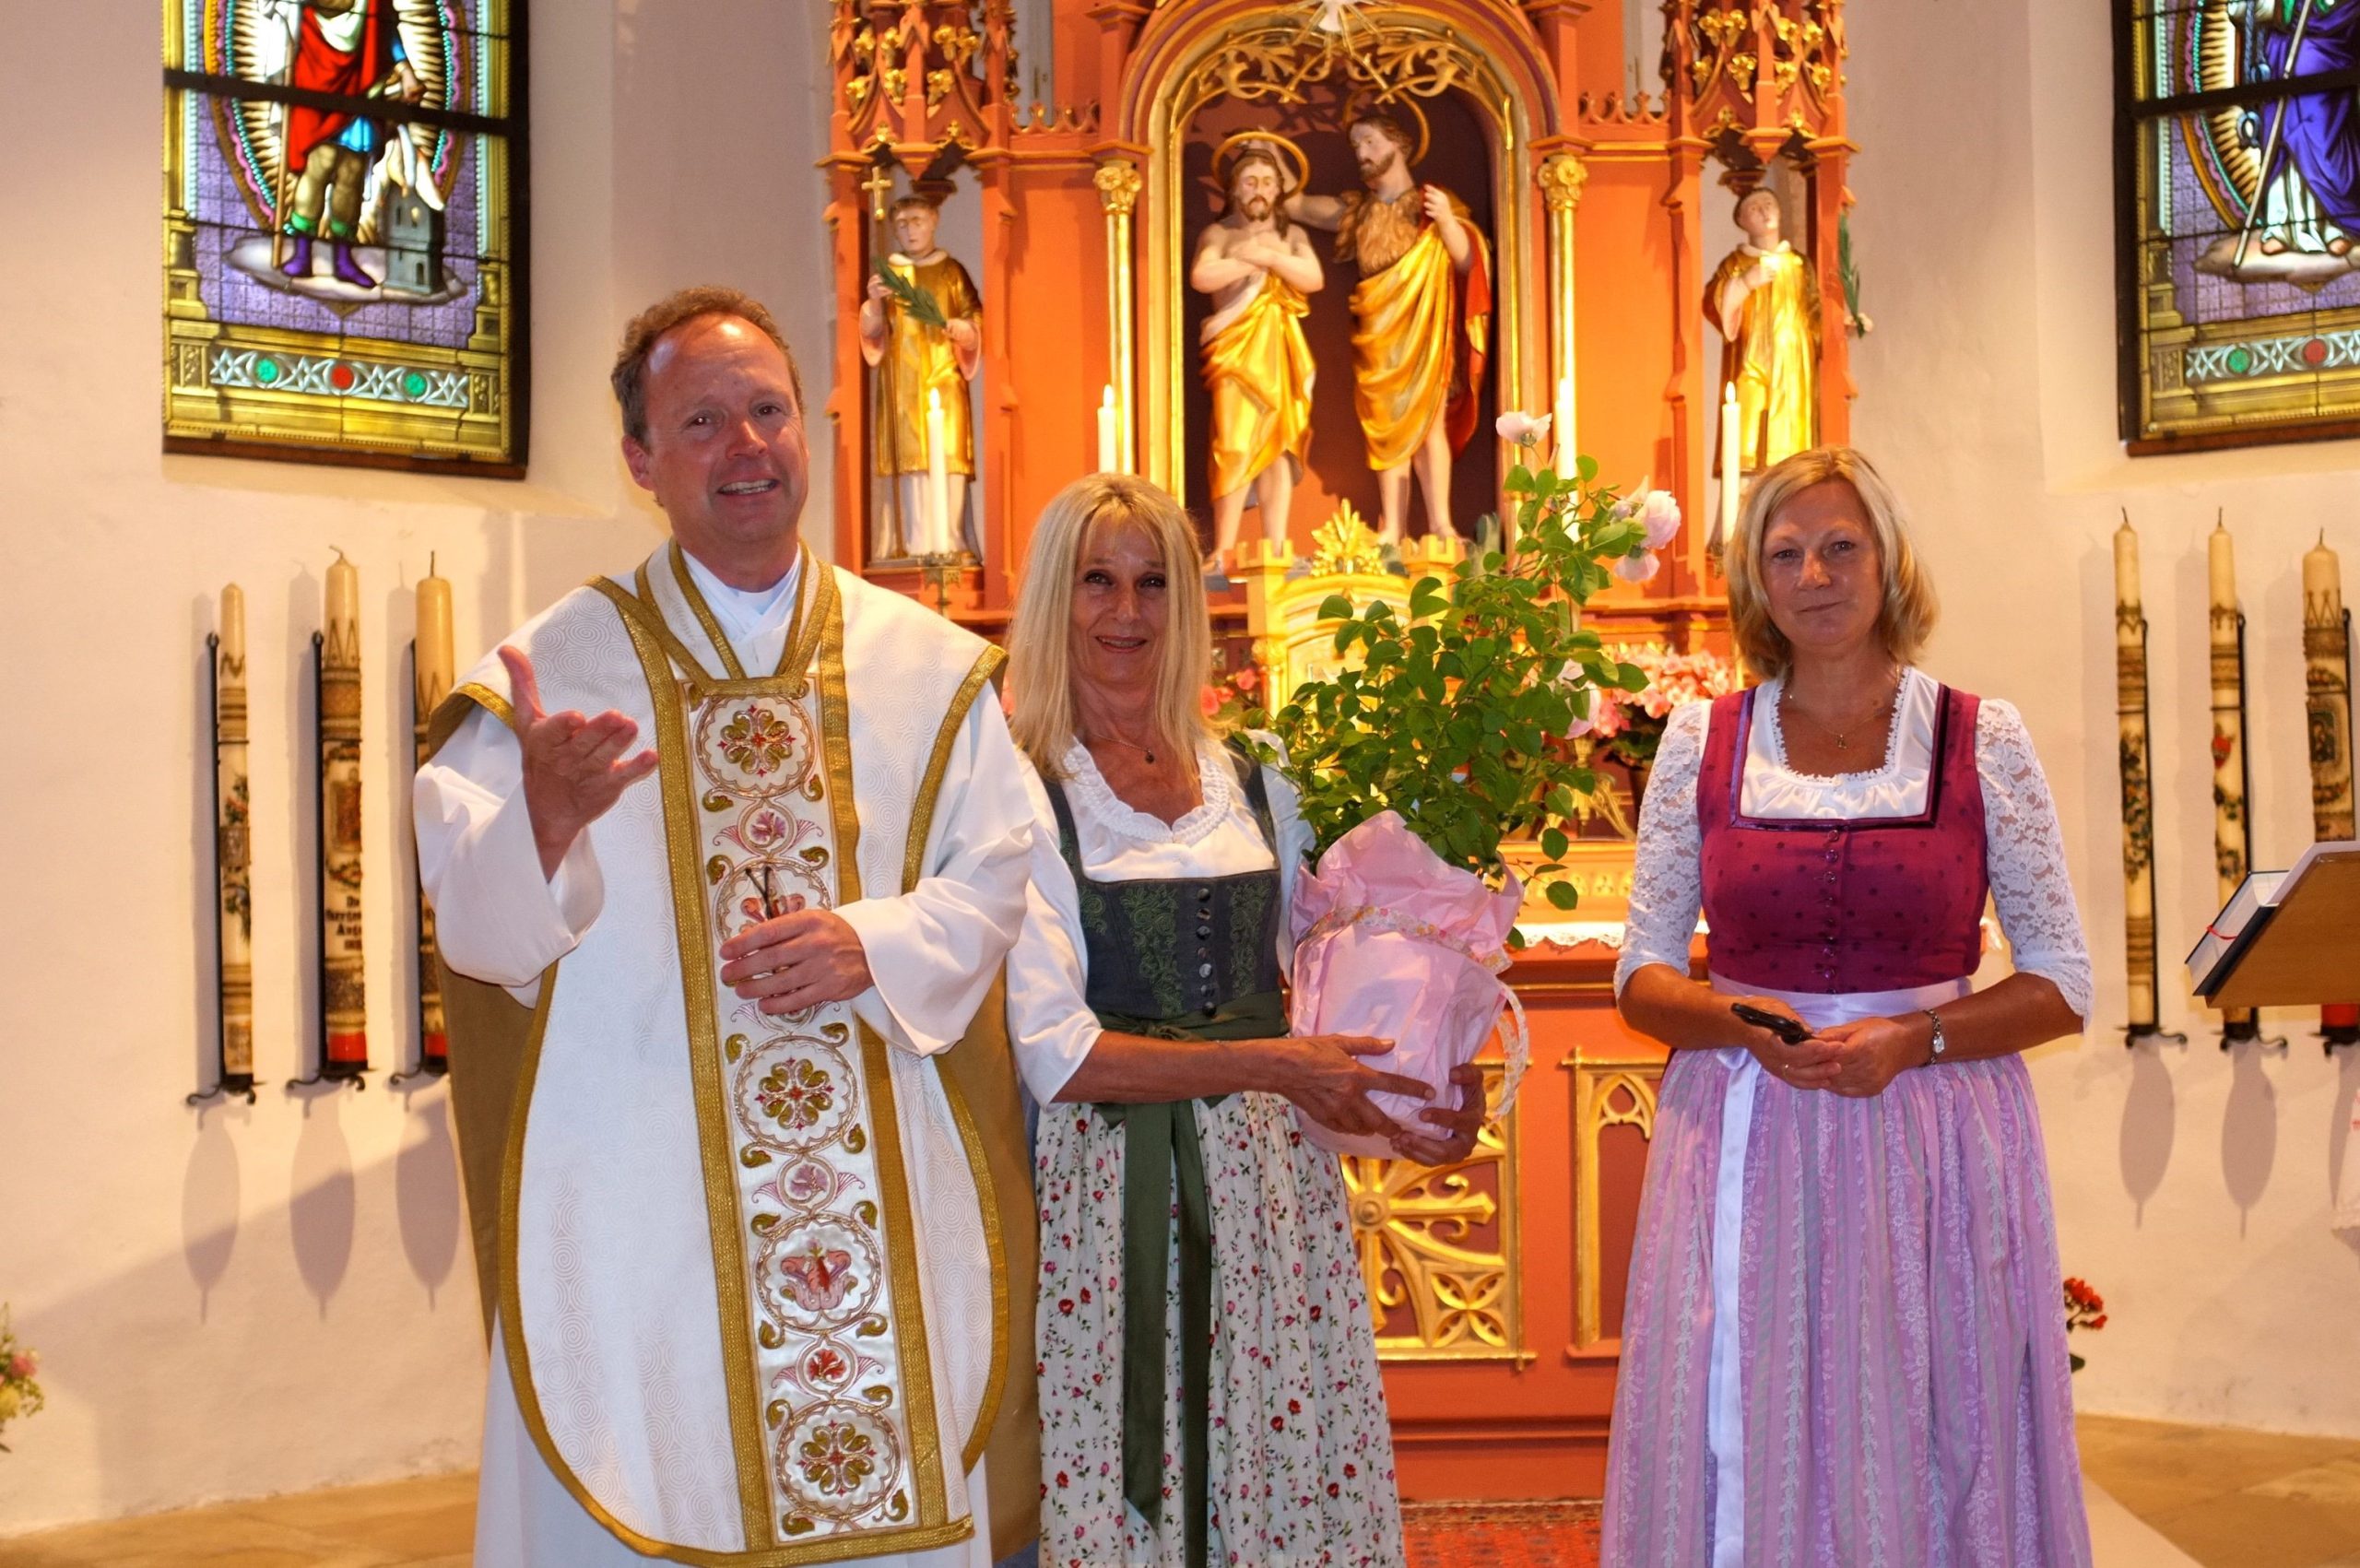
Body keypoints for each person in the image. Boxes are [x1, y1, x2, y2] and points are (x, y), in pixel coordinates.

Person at [415, 286, 1039, 1568]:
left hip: (886, 1203)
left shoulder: (929, 669)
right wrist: (542, 820)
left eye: (767, 411)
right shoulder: (549, 678)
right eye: (702, 421)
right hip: (641, 1205)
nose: (746, 446)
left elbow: (995, 875)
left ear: (808, 429)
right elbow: (477, 933)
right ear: (640, 459)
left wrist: (875, 944)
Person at [1603, 447, 2094, 1565]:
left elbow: (2062, 980)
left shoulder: (1980, 737)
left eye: (1840, 547)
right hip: (1745, 1125)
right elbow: (1641, 972)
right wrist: (1740, 1023)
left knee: (1931, 1418)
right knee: (1749, 1413)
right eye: (1784, 554)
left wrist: (1914, 1038)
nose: (1814, 575)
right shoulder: (1700, 741)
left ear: (1887, 562)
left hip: (1932, 1134)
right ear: (1754, 578)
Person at [1002, 475, 1485, 1568]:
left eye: (1154, 584)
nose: (1127, 612)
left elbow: (1339, 987)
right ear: (1053, 599)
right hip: (1109, 1196)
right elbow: (1058, 1056)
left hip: (1272, 1196)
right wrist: (1277, 1065)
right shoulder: (1023, 794)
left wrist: (1434, 1090)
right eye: (1097, 581)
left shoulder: (1262, 783)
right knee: (1129, 1481)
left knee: (1275, 1473)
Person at [1285, 107, 1491, 547]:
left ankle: (1441, 524)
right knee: (1384, 427)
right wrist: (1268, 160)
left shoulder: (1433, 203)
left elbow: (1467, 261)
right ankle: (1393, 527)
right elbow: (1298, 207)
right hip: (1379, 330)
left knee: (1429, 426)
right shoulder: (1358, 211)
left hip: (1425, 325)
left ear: (1399, 144)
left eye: (1370, 142)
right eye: (1356, 145)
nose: (1362, 152)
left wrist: (1447, 220)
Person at [1191, 136, 1322, 567]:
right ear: (1234, 188)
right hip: (1234, 355)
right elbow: (1202, 277)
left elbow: (1313, 278)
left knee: (1278, 447)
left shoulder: (1292, 234)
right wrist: (1250, 259)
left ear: (1278, 189)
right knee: (1232, 444)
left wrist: (1269, 257)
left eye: (1267, 181)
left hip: (1279, 355)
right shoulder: (1220, 233)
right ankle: (1224, 548)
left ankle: (1277, 546)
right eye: (1250, 182)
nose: (1260, 190)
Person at [860, 195, 984, 560]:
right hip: (902, 380)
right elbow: (872, 330)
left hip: (944, 375)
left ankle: (950, 540)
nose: (910, 230)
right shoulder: (889, 275)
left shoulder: (951, 271)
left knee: (948, 454)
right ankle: (914, 542)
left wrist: (965, 329)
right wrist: (874, 303)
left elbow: (974, 315)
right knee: (910, 459)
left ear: (934, 222)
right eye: (902, 224)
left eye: (917, 221)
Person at [274, 0, 424, 287]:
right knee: (319, 165)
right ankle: (302, 252)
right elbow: (287, 14)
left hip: (363, 86)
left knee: (352, 173)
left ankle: (343, 258)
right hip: (317, 80)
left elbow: (385, 31)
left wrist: (406, 72)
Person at [1704, 188, 1822, 474]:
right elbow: (1712, 303)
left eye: (1769, 204)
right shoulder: (1736, 264)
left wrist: (1836, 327)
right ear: (1741, 221)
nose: (1765, 211)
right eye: (1755, 208)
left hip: (1792, 365)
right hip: (1751, 362)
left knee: (1791, 441)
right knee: (1746, 431)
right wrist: (1744, 283)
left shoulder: (1799, 264)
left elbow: (1816, 310)